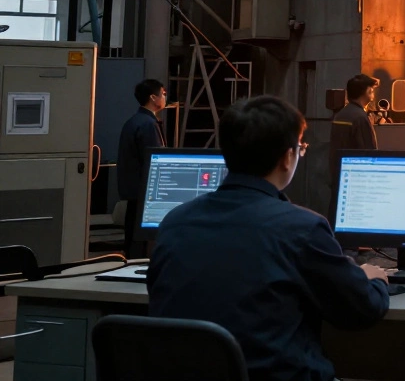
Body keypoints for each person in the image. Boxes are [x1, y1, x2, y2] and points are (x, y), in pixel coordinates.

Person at [148, 96, 390, 381]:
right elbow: (361, 310)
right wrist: (374, 281)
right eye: (301, 147)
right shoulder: (302, 228)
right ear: (288, 157)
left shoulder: (175, 221)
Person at [116, 79, 166, 258]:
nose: (165, 97)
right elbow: (155, 160)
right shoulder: (148, 124)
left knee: (132, 239)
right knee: (142, 243)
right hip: (144, 192)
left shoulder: (133, 121)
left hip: (132, 191)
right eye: (163, 93)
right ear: (153, 97)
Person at [331, 73, 380, 170]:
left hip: (339, 170)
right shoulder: (360, 117)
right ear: (368, 91)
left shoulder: (340, 115)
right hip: (357, 174)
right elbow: (368, 152)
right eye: (371, 89)